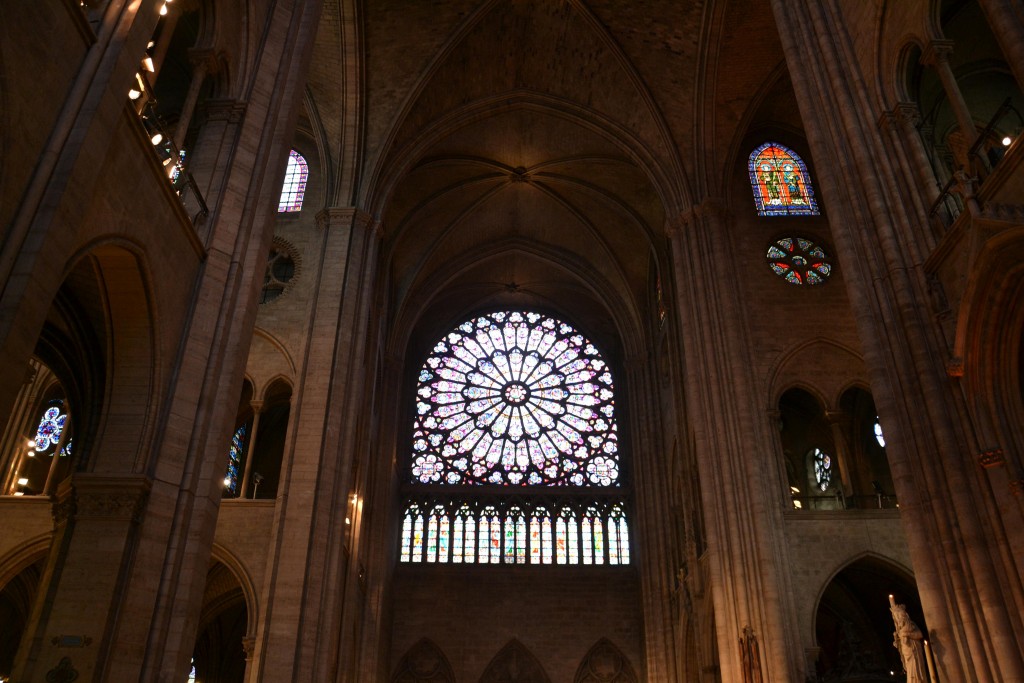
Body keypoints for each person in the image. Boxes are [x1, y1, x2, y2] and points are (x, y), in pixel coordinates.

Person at [891, 603, 928, 682]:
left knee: (916, 667)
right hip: (907, 651)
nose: (900, 618)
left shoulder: (912, 625)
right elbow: (901, 643)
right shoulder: (899, 630)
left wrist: (907, 634)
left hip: (914, 650)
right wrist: (897, 642)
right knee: (909, 667)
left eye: (900, 615)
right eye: (898, 617)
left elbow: (919, 635)